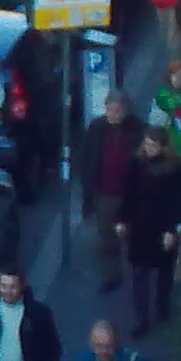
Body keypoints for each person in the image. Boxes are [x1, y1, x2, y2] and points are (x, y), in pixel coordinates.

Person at [118, 127, 181, 336]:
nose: (148, 148)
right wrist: (122, 219)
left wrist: (172, 230)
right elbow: (129, 193)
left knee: (164, 272)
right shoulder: (136, 165)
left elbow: (179, 202)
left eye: (152, 144)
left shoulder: (176, 170)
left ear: (163, 146)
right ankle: (142, 319)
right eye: (146, 143)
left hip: (162, 228)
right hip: (140, 227)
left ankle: (162, 307)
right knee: (139, 275)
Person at [79, 90, 142, 293]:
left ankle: (137, 272)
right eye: (110, 110)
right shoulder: (96, 128)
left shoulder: (138, 129)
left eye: (117, 111)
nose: (113, 114)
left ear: (125, 111)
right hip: (104, 193)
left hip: (130, 194)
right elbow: (86, 157)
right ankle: (111, 275)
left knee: (134, 235)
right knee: (106, 238)